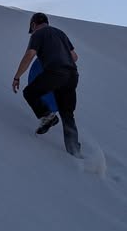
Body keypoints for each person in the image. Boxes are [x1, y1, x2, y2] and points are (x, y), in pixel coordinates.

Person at [12, 13, 81, 156]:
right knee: (67, 114)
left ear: (33, 25)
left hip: (56, 72)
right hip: (72, 76)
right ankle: (74, 152)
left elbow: (30, 55)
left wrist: (17, 77)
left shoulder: (38, 34)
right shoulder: (60, 33)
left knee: (29, 92)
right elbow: (74, 57)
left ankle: (47, 116)